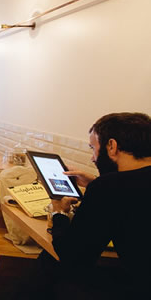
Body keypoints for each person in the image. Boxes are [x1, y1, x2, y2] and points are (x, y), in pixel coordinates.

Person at [41, 112, 151, 299]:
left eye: (93, 148)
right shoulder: (113, 187)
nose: (93, 158)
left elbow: (73, 257)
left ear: (112, 146)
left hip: (140, 288)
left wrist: (59, 213)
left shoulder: (109, 188)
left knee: (51, 267)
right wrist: (94, 184)